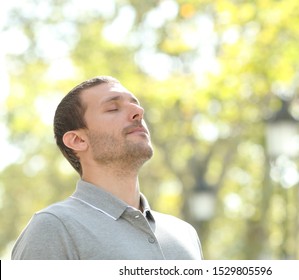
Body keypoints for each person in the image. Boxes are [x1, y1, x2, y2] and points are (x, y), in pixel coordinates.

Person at [12, 76, 203, 260]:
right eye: (113, 108)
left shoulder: (185, 233)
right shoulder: (54, 228)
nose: (139, 112)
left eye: (136, 104)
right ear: (78, 140)